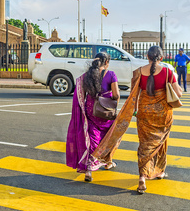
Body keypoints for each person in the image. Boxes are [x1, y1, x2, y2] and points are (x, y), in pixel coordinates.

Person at [92, 46, 182, 194]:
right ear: (161, 58)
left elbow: (135, 94)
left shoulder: (139, 72)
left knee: (144, 145)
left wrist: (134, 111)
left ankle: (142, 177)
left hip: (144, 113)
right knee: (160, 143)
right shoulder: (167, 72)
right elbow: (178, 93)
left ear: (147, 56)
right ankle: (158, 171)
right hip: (163, 114)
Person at [66, 52, 120, 182]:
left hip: (91, 111)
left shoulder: (86, 76)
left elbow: (81, 96)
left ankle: (90, 170)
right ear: (106, 62)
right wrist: (112, 103)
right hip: (105, 112)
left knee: (92, 140)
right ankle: (106, 162)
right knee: (107, 138)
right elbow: (116, 94)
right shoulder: (111, 74)